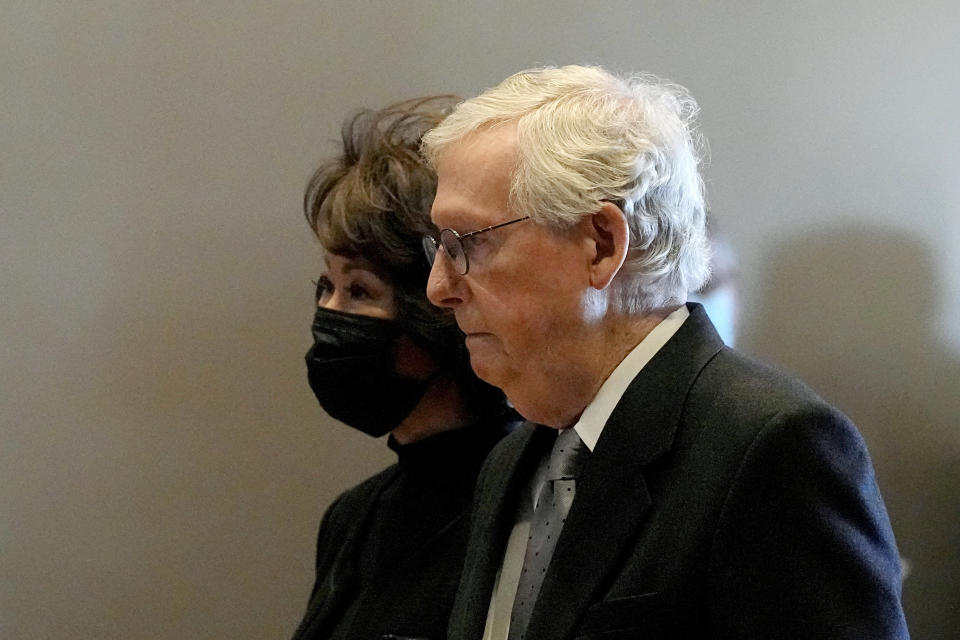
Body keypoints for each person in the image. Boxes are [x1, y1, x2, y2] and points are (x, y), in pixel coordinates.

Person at [420, 66, 908, 639]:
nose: (438, 286)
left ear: (601, 243)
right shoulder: (515, 459)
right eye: (440, 246)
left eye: (469, 243)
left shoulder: (773, 448)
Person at [293, 96, 517, 640]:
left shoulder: (524, 510)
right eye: (329, 285)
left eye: (360, 290)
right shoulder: (354, 517)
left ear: (438, 307)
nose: (329, 314)